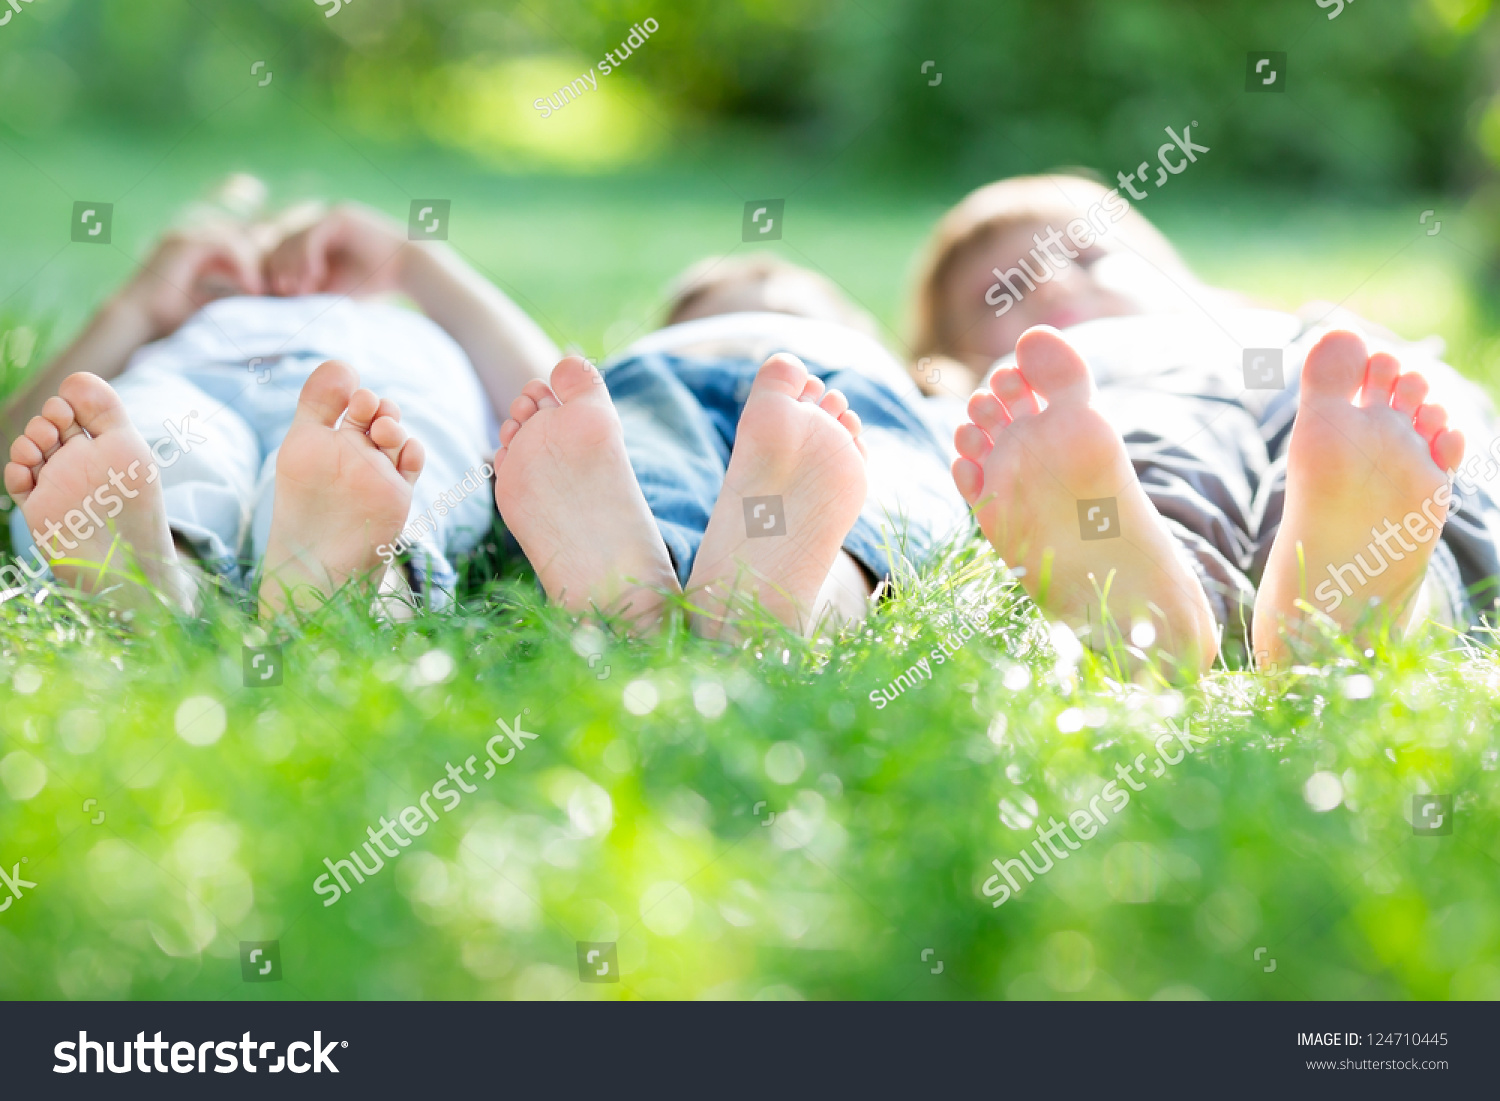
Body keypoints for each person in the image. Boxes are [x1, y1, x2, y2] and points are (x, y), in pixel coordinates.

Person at [908, 173, 1499, 672]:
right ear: (955, 363)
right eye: (999, 295)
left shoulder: (1296, 327)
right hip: (1133, 388)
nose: (1052, 282)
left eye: (1089, 255)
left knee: (1414, 433)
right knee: (1141, 440)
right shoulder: (1065, 381)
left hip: (1311, 378)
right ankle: (1152, 604)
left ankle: (1382, 603)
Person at [3, 178, 559, 617]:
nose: (279, 284)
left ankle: (359, 576)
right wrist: (141, 302)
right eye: (230, 280)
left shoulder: (403, 326)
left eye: (321, 267)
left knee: (390, 452)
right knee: (146, 436)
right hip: (193, 383)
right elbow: (14, 445)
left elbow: (554, 403)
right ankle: (164, 576)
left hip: (374, 389)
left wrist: (409, 259)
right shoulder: (173, 331)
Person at [491, 252, 970, 640]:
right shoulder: (885, 376)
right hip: (707, 378)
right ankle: (790, 605)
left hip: (699, 380)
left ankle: (628, 597)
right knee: (878, 486)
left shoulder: (899, 376)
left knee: (651, 465)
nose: (766, 298)